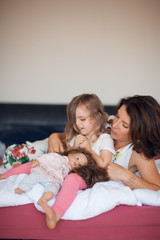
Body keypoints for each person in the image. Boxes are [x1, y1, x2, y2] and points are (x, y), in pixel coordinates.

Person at [45, 95, 160, 229]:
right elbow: (76, 132)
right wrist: (54, 136)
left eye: (124, 125)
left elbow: (156, 188)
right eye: (117, 116)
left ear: (140, 132)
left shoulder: (139, 154)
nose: (114, 125)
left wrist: (127, 177)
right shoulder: (108, 124)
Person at [0, 148, 109, 207]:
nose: (76, 162)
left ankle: (44, 200)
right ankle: (17, 184)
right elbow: (47, 158)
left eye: (80, 164)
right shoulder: (59, 157)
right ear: (72, 153)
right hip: (44, 171)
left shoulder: (70, 172)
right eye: (77, 158)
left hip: (54, 180)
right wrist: (39, 161)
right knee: (33, 177)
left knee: (53, 189)